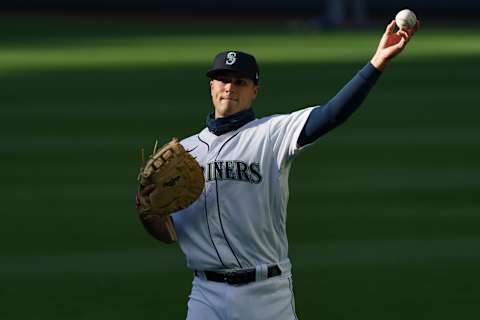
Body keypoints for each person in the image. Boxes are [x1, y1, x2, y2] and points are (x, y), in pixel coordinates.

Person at [136, 20, 419, 320]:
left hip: (266, 294)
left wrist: (376, 63)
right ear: (211, 85)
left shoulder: (272, 133)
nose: (229, 87)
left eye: (240, 81)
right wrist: (147, 213)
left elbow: (332, 114)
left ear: (254, 90)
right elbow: (168, 234)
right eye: (222, 79)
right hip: (205, 294)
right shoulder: (184, 153)